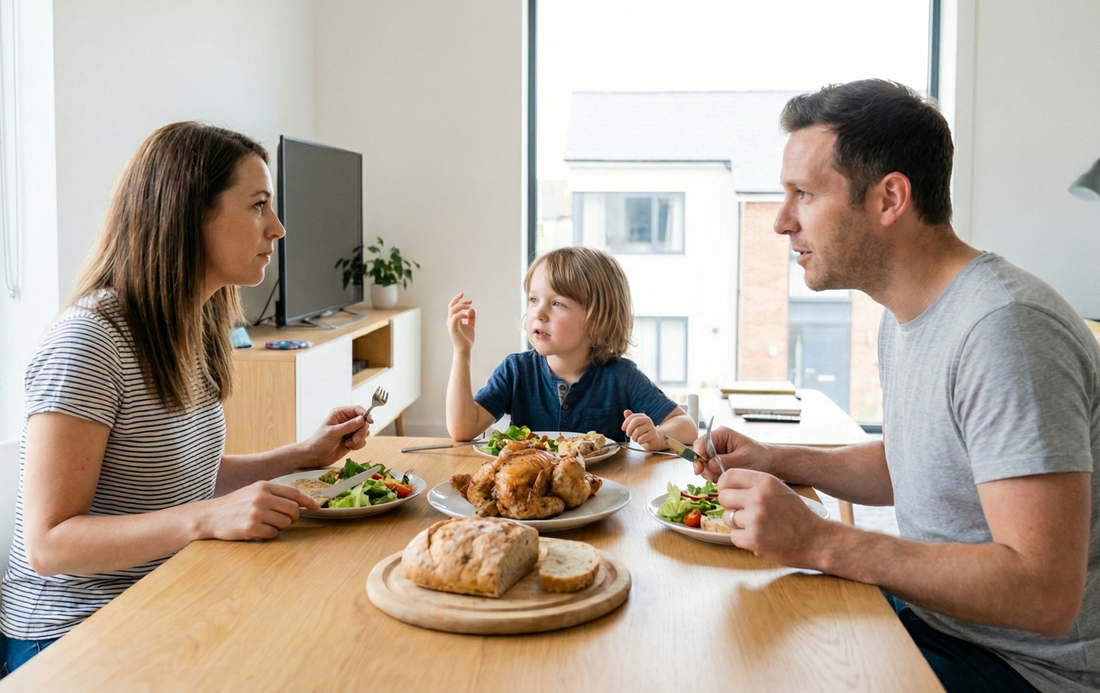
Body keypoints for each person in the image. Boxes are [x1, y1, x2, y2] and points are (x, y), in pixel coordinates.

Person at [694, 80, 1099, 693]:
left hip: (1022, 669)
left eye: (804, 194)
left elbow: (1043, 593)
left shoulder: (1006, 331)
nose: (780, 222)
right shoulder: (907, 315)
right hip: (938, 622)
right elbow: (918, 464)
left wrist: (821, 541)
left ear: (889, 198)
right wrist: (779, 460)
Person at [0, 122, 373, 674]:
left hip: (167, 594)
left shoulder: (193, 326)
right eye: (258, 206)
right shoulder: (90, 341)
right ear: (187, 215)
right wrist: (207, 519)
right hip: (69, 638)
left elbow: (178, 476)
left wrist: (299, 457)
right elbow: (49, 544)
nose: (278, 227)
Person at [446, 246, 696, 450]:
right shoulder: (516, 371)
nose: (538, 313)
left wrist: (657, 435)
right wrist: (462, 352)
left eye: (557, 303)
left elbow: (685, 425)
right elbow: (463, 430)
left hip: (605, 492)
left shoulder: (622, 377)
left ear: (597, 320)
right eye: (534, 299)